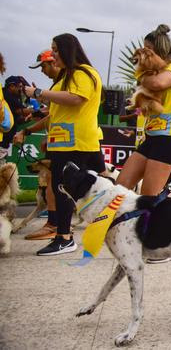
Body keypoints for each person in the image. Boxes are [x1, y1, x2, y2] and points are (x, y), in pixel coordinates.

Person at [23, 34, 105, 255]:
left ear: (68, 50)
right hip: (62, 142)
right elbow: (61, 107)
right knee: (62, 188)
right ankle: (63, 235)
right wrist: (40, 110)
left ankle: (65, 237)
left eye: (56, 50)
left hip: (76, 141)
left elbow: (76, 99)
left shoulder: (84, 73)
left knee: (67, 189)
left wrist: (39, 93)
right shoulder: (67, 76)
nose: (54, 54)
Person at [116, 25, 171, 263]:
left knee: (150, 195)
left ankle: (163, 246)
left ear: (159, 50)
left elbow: (157, 84)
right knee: (122, 185)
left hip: (170, 139)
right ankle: (130, 235)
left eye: (148, 49)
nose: (142, 54)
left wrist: (142, 74)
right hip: (151, 138)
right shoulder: (146, 74)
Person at [14, 50, 61, 240]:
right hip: (62, 140)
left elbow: (53, 115)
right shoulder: (57, 85)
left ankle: (55, 225)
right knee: (54, 182)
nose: (42, 71)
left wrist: (29, 130)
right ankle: (56, 224)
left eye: (43, 66)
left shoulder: (64, 85)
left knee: (55, 183)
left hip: (76, 141)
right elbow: (52, 115)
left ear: (54, 62)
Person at [0, 76, 35, 159]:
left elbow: (17, 117)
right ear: (11, 86)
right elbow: (20, 111)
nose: (21, 89)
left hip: (4, 141)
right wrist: (39, 111)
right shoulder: (7, 95)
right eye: (19, 87)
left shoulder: (13, 96)